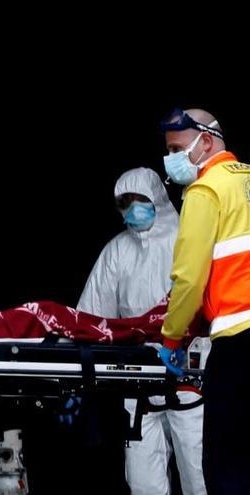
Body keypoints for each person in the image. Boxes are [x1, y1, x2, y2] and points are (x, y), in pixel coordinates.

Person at [78, 167, 205, 494]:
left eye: (140, 200)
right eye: (126, 202)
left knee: (198, 471)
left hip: (191, 373)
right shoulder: (117, 252)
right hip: (137, 378)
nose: (134, 209)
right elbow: (91, 318)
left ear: (157, 199)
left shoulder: (190, 240)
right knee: (142, 479)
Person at [157, 107, 250, 494]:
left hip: (238, 342)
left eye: (177, 148)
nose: (172, 160)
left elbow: (190, 278)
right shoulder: (245, 181)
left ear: (205, 141)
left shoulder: (206, 189)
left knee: (228, 466)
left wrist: (171, 337)